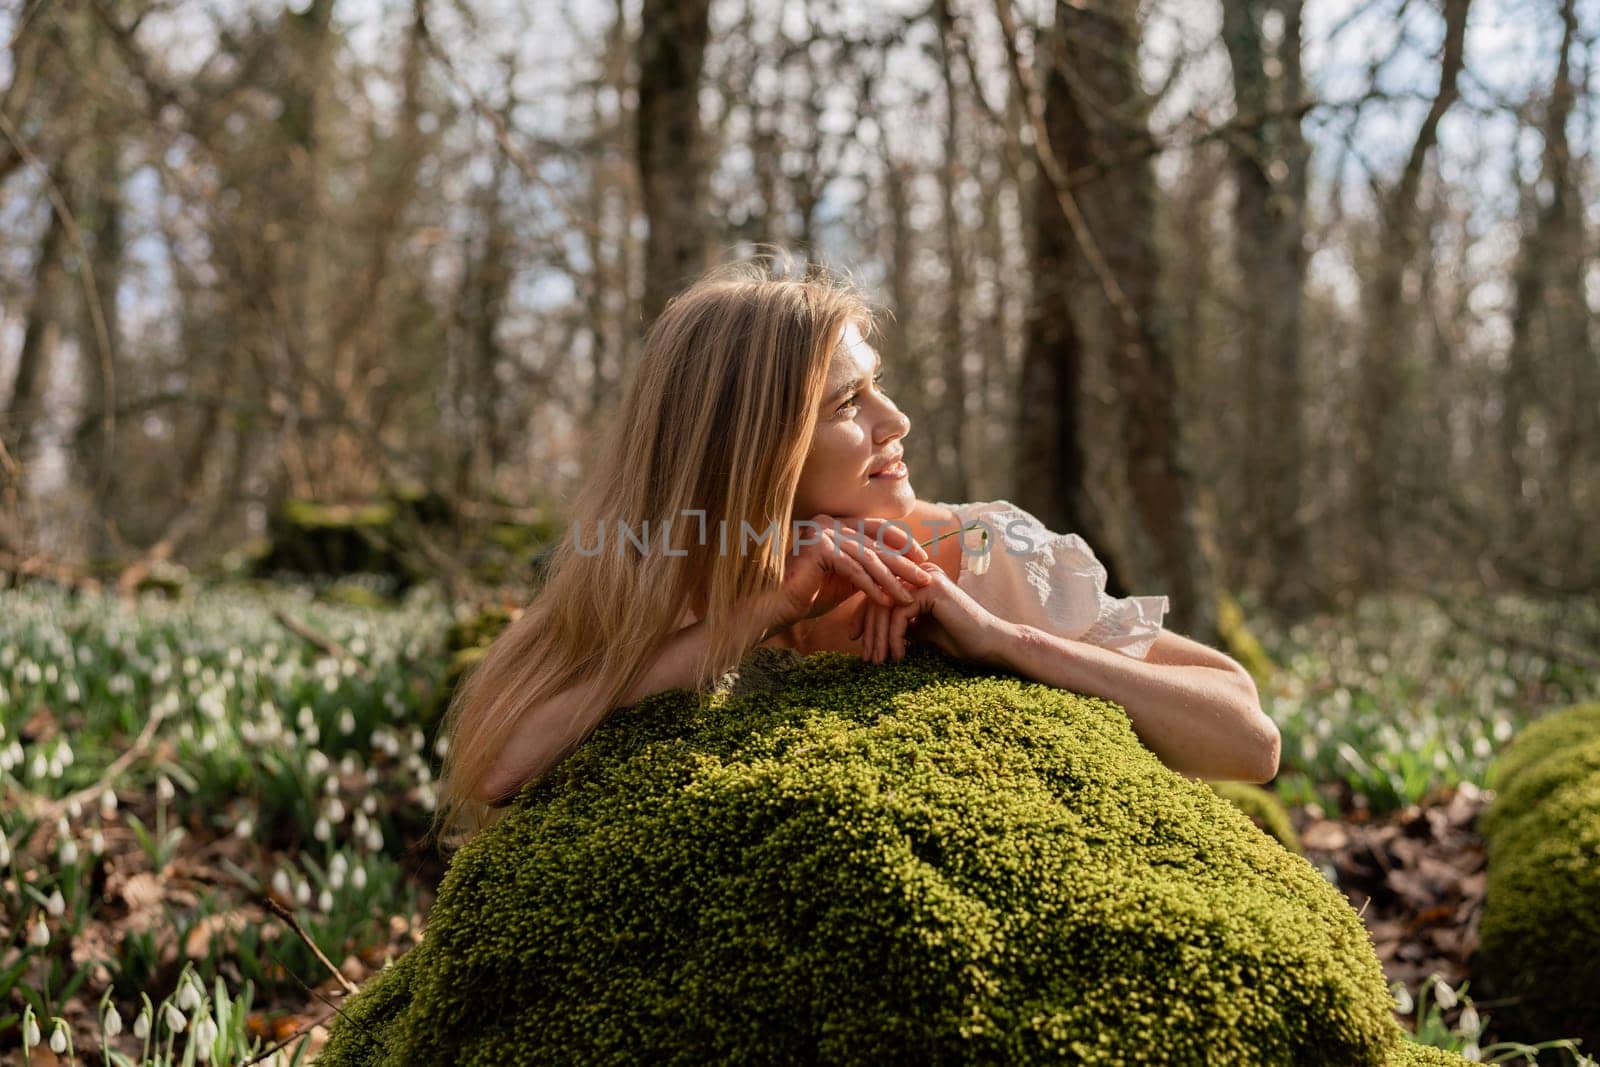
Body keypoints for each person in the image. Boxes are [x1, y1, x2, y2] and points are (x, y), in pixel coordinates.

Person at [431, 250, 1277, 852]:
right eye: (848, 400)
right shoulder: (666, 569)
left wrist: (1002, 640)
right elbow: (503, 767)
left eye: (878, 383)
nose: (895, 419)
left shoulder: (978, 548)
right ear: (753, 444)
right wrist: (768, 607)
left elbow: (1248, 738)